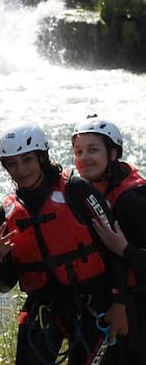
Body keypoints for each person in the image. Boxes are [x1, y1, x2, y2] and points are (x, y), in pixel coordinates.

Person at [0, 121, 129, 365]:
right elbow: (4, 284)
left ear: (42, 158)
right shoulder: (8, 212)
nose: (20, 170)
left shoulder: (77, 190)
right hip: (44, 308)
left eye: (27, 160)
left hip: (93, 303)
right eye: (12, 163)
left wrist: (119, 302)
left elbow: (115, 250)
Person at [72, 115, 146, 363]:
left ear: (113, 153)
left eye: (93, 150)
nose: (84, 158)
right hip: (113, 300)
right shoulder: (87, 192)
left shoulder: (132, 200)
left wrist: (124, 250)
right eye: (78, 151)